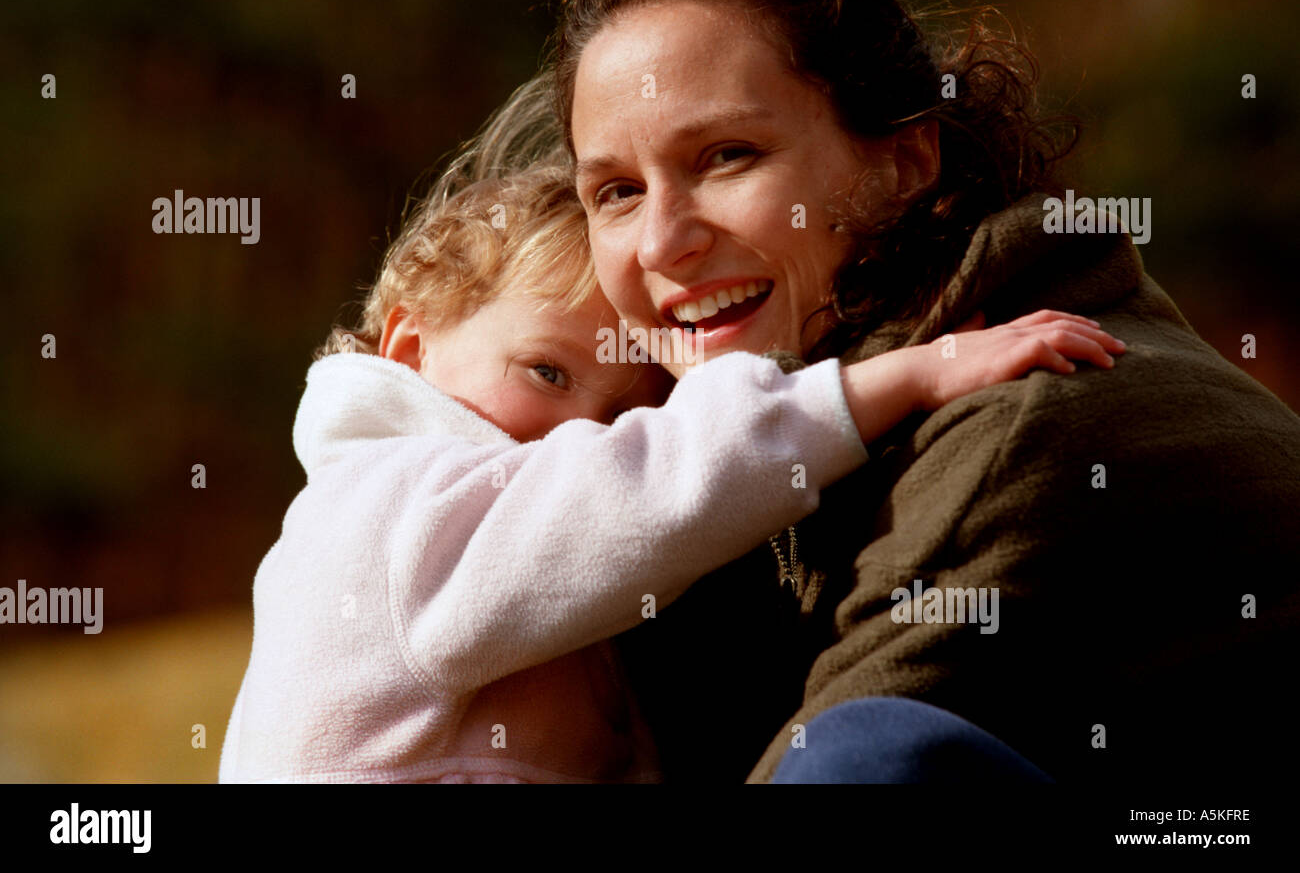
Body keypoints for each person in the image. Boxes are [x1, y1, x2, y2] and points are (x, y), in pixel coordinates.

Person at [549, 0, 1300, 782]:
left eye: (727, 156)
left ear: (904, 161)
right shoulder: (749, 427)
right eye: (616, 192)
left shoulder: (1021, 425)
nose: (661, 243)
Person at [218, 81, 1120, 782]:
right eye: (546, 372)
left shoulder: (529, 584)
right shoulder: (384, 511)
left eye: (625, 415)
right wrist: (906, 376)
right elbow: (633, 490)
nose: (581, 430)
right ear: (411, 348)